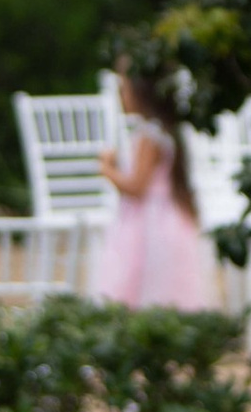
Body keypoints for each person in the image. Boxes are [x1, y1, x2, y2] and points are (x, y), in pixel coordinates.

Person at [92, 69, 217, 312]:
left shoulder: (148, 135)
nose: (121, 96)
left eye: (124, 88)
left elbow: (136, 188)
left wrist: (106, 169)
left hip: (147, 224)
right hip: (166, 217)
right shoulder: (165, 130)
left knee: (139, 283)